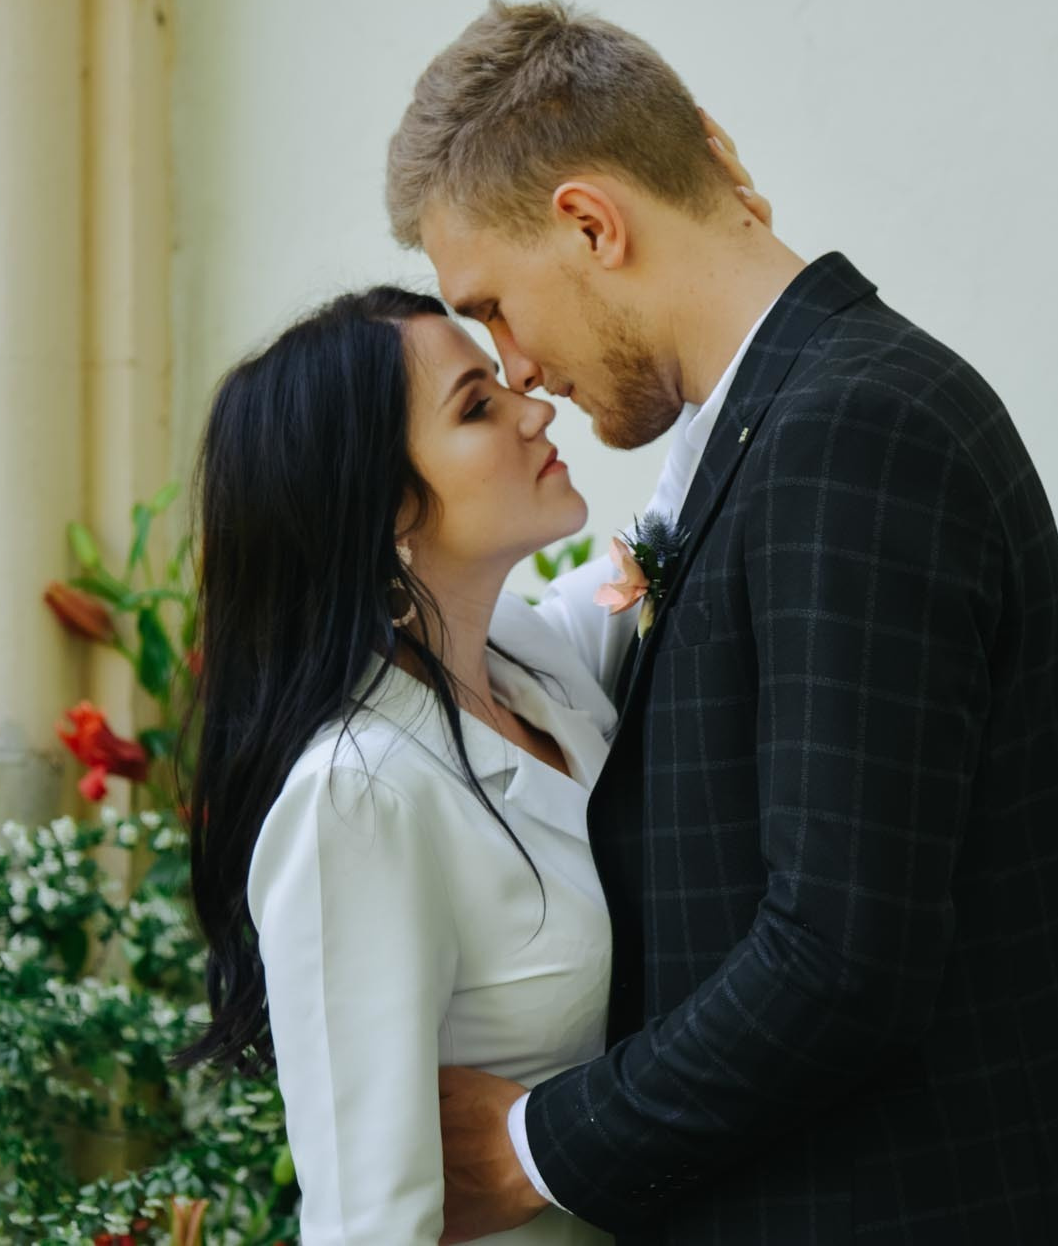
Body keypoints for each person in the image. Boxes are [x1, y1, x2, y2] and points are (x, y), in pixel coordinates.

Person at [387, 0, 1058, 1245]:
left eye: (492, 305)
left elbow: (838, 961)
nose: (515, 364)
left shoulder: (852, 433)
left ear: (589, 222)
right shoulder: (758, 434)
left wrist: (534, 1146)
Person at [172, 158, 773, 1242]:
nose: (532, 405)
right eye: (476, 406)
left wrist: (718, 234)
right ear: (388, 510)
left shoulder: (536, 666)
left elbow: (671, 525)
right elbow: (369, 1219)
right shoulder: (356, 799)